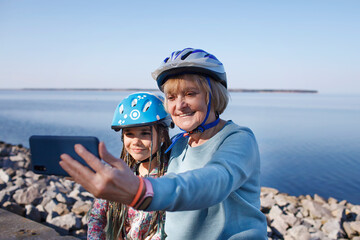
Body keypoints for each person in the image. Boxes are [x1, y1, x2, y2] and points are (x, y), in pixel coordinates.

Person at [60, 48, 268, 239]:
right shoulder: (178, 146)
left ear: (213, 95)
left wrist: (140, 191)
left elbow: (215, 181)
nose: (179, 105)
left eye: (190, 93)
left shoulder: (238, 139)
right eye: (171, 96)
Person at [87, 92, 172, 240]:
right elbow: (96, 216)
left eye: (145, 133)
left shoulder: (170, 177)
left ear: (163, 135)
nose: (135, 142)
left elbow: (165, 230)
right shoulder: (119, 173)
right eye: (129, 134)